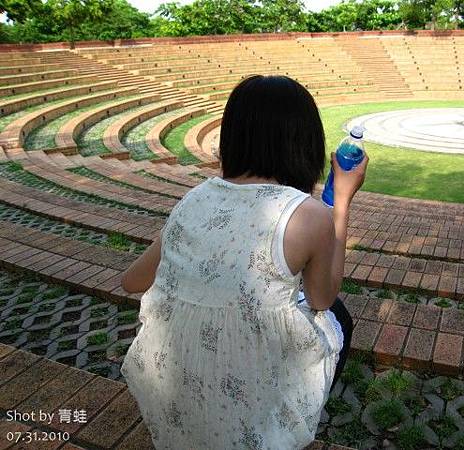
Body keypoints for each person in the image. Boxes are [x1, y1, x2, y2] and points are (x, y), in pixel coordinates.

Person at [119, 74, 369, 450]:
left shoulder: (194, 198)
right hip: (246, 406)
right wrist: (344, 199)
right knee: (339, 316)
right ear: (305, 142)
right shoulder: (308, 214)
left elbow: (132, 281)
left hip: (167, 390)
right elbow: (322, 297)